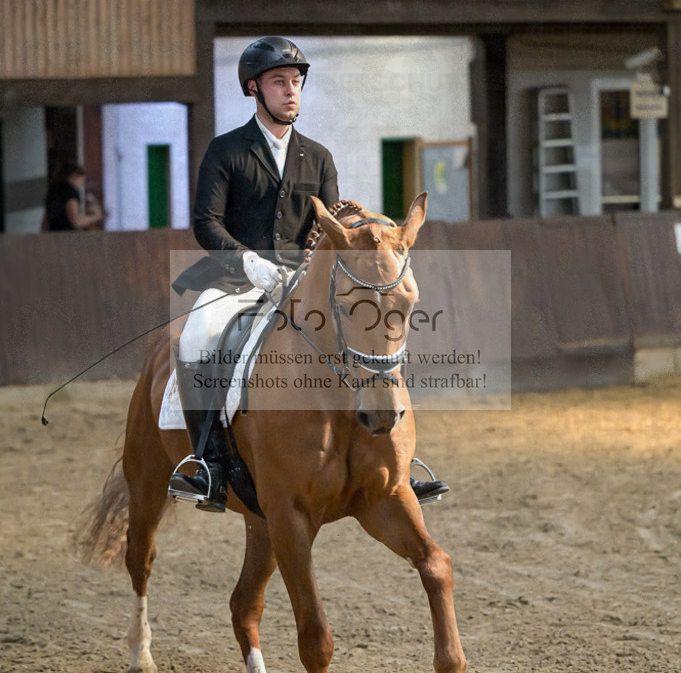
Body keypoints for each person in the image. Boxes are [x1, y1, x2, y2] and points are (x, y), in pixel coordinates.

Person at [169, 35, 448, 511]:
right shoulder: (226, 151)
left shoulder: (317, 156)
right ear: (253, 89)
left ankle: (398, 461)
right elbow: (206, 223)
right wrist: (248, 261)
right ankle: (209, 465)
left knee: (370, 333)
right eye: (279, 82)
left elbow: (331, 226)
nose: (291, 91)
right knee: (197, 336)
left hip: (304, 280)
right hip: (238, 280)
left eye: (296, 82)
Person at [43, 163, 103, 231]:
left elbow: (45, 222)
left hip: (53, 235)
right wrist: (96, 217)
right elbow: (76, 221)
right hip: (67, 235)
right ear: (76, 176)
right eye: (82, 181)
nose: (80, 186)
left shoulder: (53, 190)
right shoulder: (70, 191)